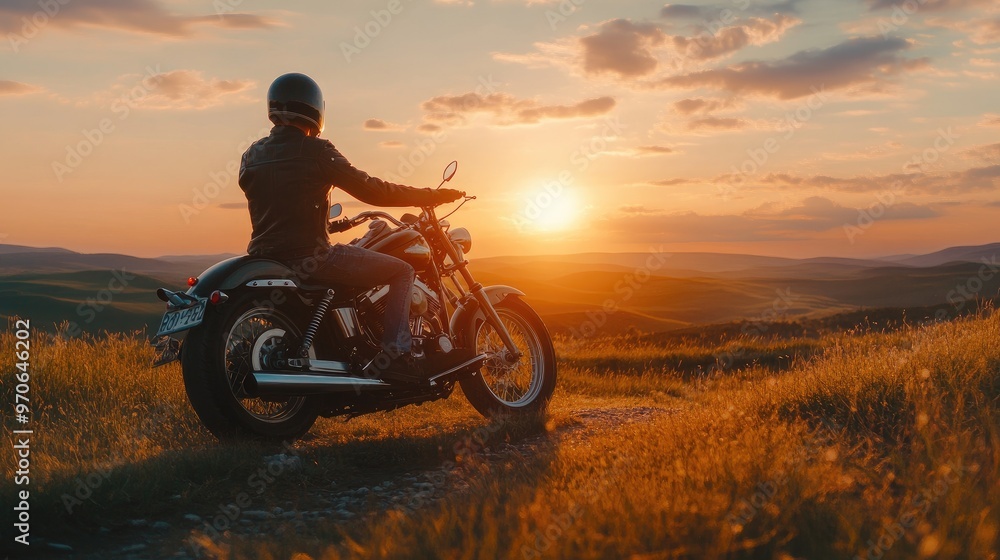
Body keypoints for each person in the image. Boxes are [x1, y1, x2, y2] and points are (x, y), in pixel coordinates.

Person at [239, 72, 464, 382]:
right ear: (314, 109)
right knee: (401, 271)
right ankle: (396, 357)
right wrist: (431, 195)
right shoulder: (317, 151)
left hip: (265, 257)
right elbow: (374, 190)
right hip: (313, 257)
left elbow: (279, 201)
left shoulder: (250, 156)